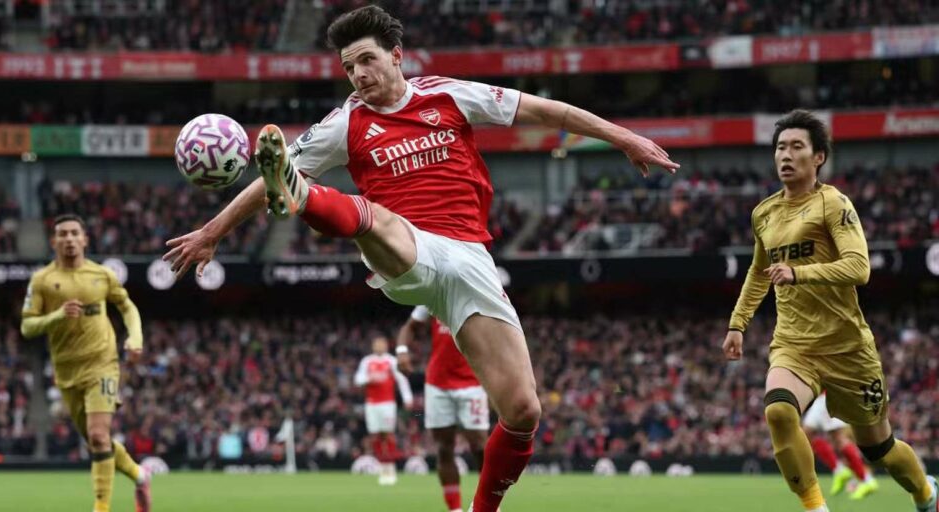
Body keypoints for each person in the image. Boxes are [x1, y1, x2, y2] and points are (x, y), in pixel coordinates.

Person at [164, 6, 677, 510]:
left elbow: (549, 112)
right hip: (406, 250)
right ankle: (299, 193)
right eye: (348, 67)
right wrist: (212, 232)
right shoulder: (347, 123)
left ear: (396, 56)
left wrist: (624, 138)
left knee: (522, 410)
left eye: (366, 60)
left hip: (471, 259)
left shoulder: (448, 95)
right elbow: (259, 185)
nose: (358, 74)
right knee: (371, 215)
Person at [722, 109, 937, 512]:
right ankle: (816, 508)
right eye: (780, 147)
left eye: (797, 146)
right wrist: (738, 324)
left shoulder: (833, 204)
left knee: (881, 451)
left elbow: (859, 268)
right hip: (794, 344)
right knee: (780, 411)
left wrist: (799, 273)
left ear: (818, 156)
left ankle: (926, 492)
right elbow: (757, 272)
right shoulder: (764, 213)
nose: (786, 154)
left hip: (847, 348)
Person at [21, 214, 151, 512]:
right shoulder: (41, 280)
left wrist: (135, 337)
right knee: (97, 440)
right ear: (54, 242)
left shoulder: (101, 275)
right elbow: (27, 327)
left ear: (85, 239)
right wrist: (57, 316)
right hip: (66, 370)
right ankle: (140, 474)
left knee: (97, 434)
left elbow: (127, 306)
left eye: (74, 233)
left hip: (102, 363)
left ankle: (101, 507)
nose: (68, 238)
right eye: (62, 234)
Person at [397, 306, 487, 512]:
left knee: (480, 448)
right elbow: (409, 327)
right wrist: (402, 351)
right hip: (438, 385)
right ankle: (454, 509)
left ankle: (487, 505)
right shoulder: (433, 296)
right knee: (444, 449)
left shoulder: (477, 295)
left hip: (472, 384)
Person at [354, 336, 414, 485]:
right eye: (376, 344)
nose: (379, 346)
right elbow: (358, 379)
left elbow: (402, 380)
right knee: (375, 436)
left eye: (382, 344)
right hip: (371, 404)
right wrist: (368, 379)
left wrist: (407, 398)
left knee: (387, 434)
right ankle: (382, 468)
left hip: (387, 403)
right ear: (373, 346)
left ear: (386, 346)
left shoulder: (391, 361)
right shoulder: (367, 361)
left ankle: (390, 468)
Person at [802, 392, 879, 499]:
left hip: (829, 395)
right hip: (823, 397)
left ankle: (866, 479)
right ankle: (844, 472)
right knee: (808, 436)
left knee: (839, 439)